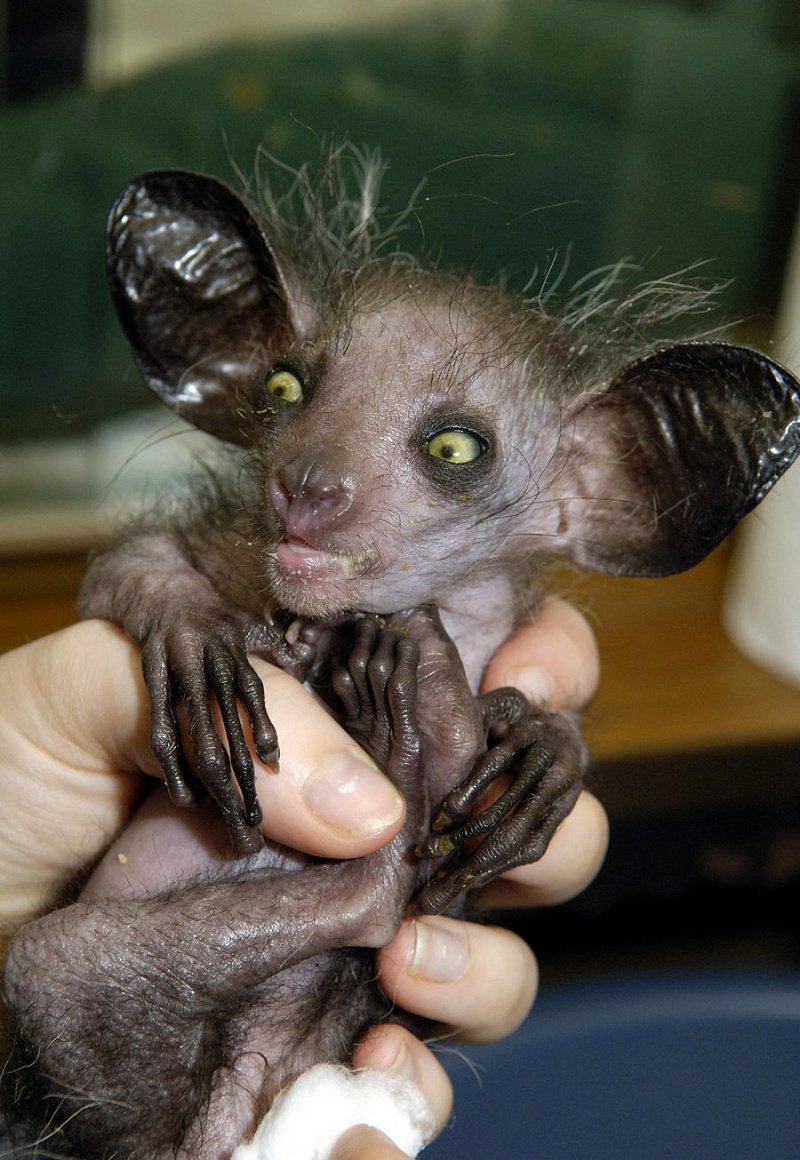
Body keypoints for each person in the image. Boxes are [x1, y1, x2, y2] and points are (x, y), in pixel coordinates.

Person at [0, 600, 607, 1159]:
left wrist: (548, 752)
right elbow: (143, 579)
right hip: (246, 1052)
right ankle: (364, 895)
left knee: (55, 970)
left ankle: (364, 895)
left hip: (255, 1045)